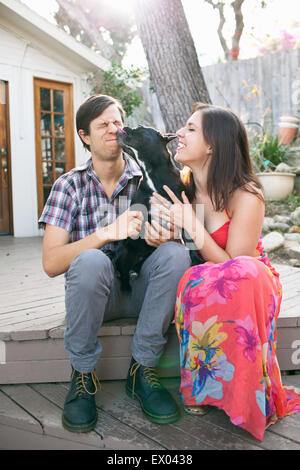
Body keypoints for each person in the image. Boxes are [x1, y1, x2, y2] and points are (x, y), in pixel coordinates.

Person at [39, 94, 191, 432]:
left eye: (117, 122)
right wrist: (108, 232)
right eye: (102, 124)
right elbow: (51, 263)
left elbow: (184, 245)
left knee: (175, 253)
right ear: (85, 136)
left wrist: (165, 237)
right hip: (95, 298)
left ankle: (142, 371)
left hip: (142, 292)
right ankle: (82, 375)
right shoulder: (68, 186)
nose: (113, 129)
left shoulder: (151, 176)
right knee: (91, 260)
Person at [151, 103, 300, 441]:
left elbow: (236, 262)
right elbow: (177, 245)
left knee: (241, 274)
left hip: (250, 281)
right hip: (206, 279)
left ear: (211, 145)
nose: (179, 133)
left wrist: (192, 224)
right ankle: (204, 389)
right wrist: (159, 235)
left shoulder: (246, 194)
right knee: (192, 277)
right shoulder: (182, 187)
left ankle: (246, 394)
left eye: (190, 128)